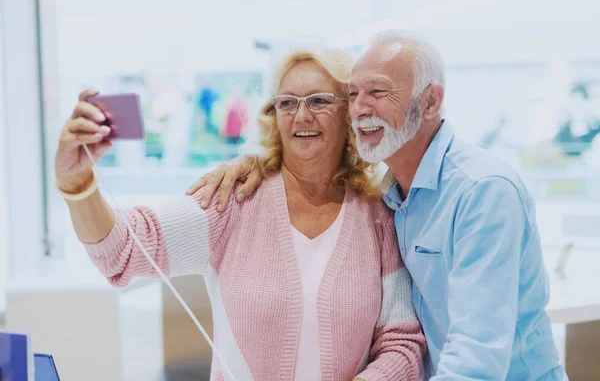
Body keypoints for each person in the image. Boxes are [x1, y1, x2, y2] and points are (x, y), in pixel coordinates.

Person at [189, 30, 567, 380]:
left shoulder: (483, 192)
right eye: (352, 95)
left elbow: (477, 356)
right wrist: (258, 162)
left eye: (378, 92)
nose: (358, 109)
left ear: (431, 100)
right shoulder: (390, 195)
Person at [54, 48, 427, 380]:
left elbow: (402, 344)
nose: (301, 115)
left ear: (348, 114)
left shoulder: (378, 215)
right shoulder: (234, 200)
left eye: (318, 101)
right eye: (287, 103)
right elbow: (126, 248)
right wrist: (76, 183)